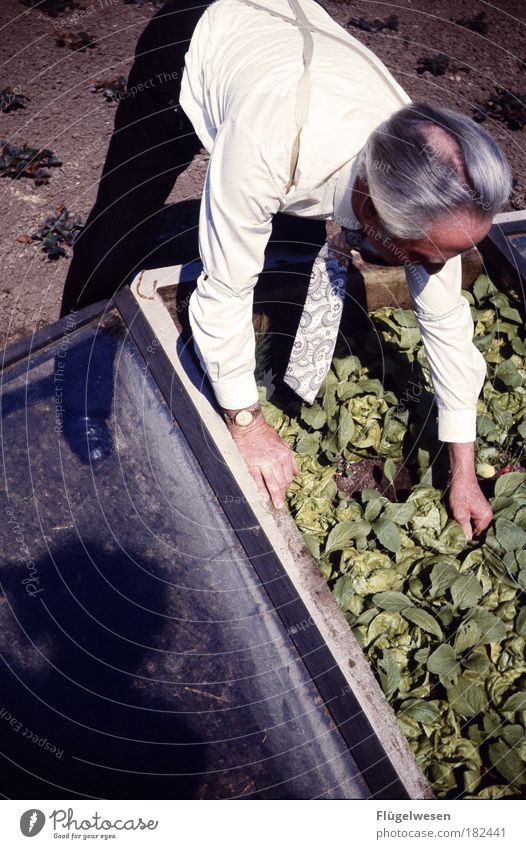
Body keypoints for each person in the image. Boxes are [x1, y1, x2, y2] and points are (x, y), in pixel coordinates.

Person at [60, 0, 512, 539]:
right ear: (370, 211)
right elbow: (223, 288)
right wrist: (246, 425)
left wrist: (464, 468)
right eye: (422, 257)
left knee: (288, 250)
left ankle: (261, 367)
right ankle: (75, 384)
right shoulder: (272, 142)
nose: (435, 270)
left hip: (291, 63)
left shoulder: (422, 174)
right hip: (194, 40)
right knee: (119, 222)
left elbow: (446, 320)